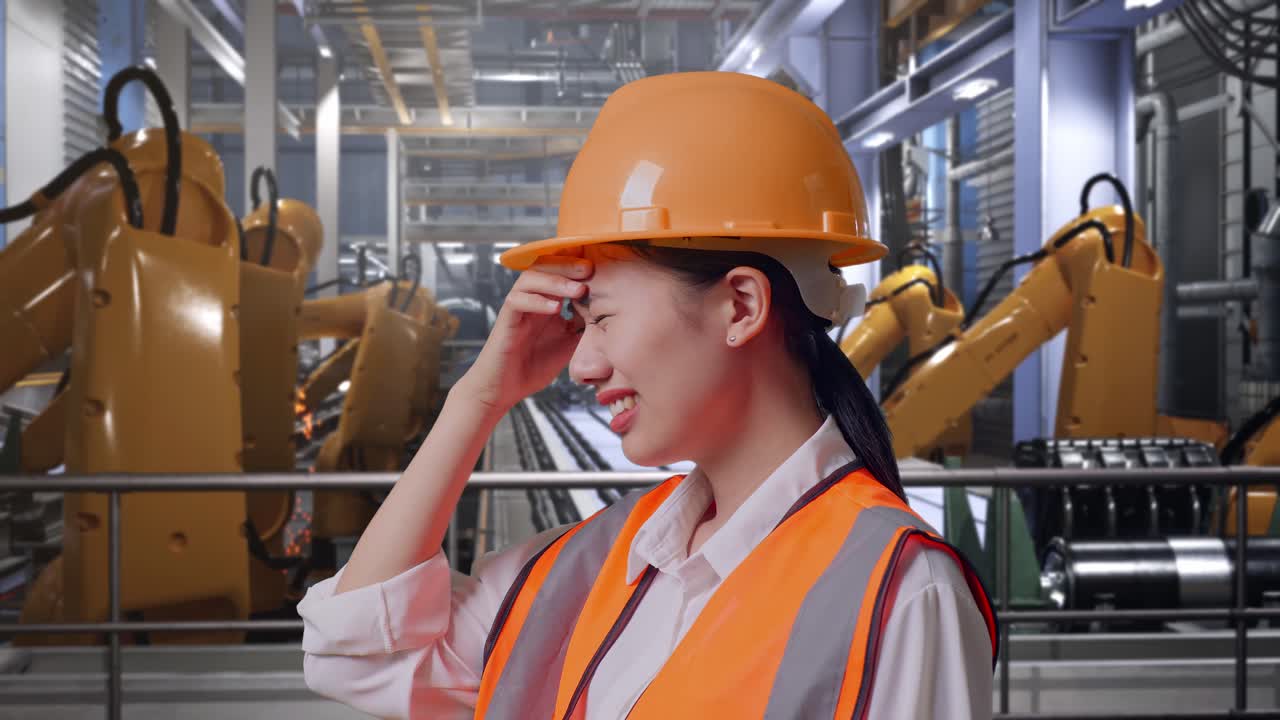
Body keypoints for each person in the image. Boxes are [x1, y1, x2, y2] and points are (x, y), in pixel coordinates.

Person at [298, 71, 997, 720]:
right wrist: (478, 397)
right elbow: (358, 650)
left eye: (600, 317)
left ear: (742, 306)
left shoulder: (899, 590)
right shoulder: (605, 558)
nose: (582, 364)